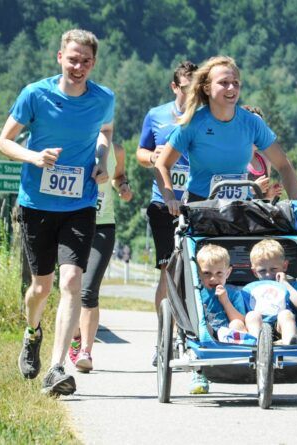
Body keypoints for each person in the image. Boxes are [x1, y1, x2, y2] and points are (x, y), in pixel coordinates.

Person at [0, 29, 115, 397]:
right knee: (39, 287)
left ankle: (56, 366)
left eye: (86, 61)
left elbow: (105, 133)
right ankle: (32, 332)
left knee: (71, 284)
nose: (79, 67)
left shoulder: (103, 98)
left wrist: (100, 160)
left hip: (80, 203)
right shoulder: (35, 94)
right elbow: (3, 141)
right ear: (59, 58)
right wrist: (35, 157)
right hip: (36, 204)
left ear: (93, 63)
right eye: (73, 59)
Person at [154, 55, 297, 211]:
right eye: (224, 83)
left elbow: (284, 165)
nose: (231, 88)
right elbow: (162, 164)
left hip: (241, 209)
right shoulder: (193, 124)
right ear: (207, 88)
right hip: (200, 208)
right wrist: (170, 200)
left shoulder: (252, 123)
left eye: (235, 83)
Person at [136, 60, 197, 367]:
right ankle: (163, 338)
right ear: (175, 87)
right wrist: (153, 157)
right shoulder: (156, 115)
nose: (193, 92)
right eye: (187, 88)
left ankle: (196, 335)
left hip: (198, 202)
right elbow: (140, 153)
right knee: (168, 270)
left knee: (198, 269)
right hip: (163, 202)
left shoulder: (205, 115)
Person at [68, 142, 132, 372]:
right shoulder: (74, 138)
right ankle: (74, 335)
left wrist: (123, 186)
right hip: (72, 223)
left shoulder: (118, 149)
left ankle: (86, 349)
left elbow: (118, 175)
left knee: (88, 289)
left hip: (103, 226)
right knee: (71, 286)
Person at [196, 243, 251, 392]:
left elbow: (240, 319)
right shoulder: (197, 293)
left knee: (238, 324)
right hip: (207, 333)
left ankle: (246, 362)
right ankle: (200, 374)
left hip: (229, 333)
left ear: (228, 273)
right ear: (199, 273)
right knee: (201, 329)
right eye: (207, 273)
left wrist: (225, 301)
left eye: (219, 273)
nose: (213, 278)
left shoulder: (233, 293)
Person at [242, 239, 297, 345]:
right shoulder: (249, 290)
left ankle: (290, 343)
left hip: (282, 327)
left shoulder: (295, 285)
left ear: (284, 266)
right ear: (254, 272)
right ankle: (255, 345)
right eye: (262, 271)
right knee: (251, 316)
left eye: (273, 269)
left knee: (285, 314)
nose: (268, 275)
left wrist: (285, 284)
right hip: (258, 326)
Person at [242, 105, 281, 200]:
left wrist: (269, 195)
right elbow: (224, 196)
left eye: (260, 128)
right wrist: (252, 190)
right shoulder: (231, 159)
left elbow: (263, 202)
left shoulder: (265, 160)